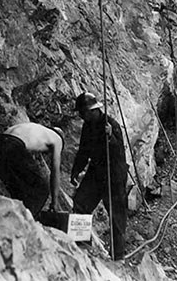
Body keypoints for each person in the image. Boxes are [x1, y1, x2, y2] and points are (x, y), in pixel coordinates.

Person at [71, 92, 128, 261]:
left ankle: (118, 257)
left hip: (114, 174)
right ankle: (81, 247)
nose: (81, 116)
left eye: (82, 112)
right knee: (80, 203)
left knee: (117, 216)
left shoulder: (111, 125)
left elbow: (119, 153)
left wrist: (110, 137)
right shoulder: (87, 126)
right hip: (96, 172)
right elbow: (84, 150)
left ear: (91, 110)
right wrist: (76, 170)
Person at [0, 122, 64, 217]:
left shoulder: (37, 129)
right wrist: (55, 202)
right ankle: (27, 222)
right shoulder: (57, 139)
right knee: (41, 188)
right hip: (13, 144)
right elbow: (55, 171)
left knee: (19, 189)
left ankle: (12, 218)